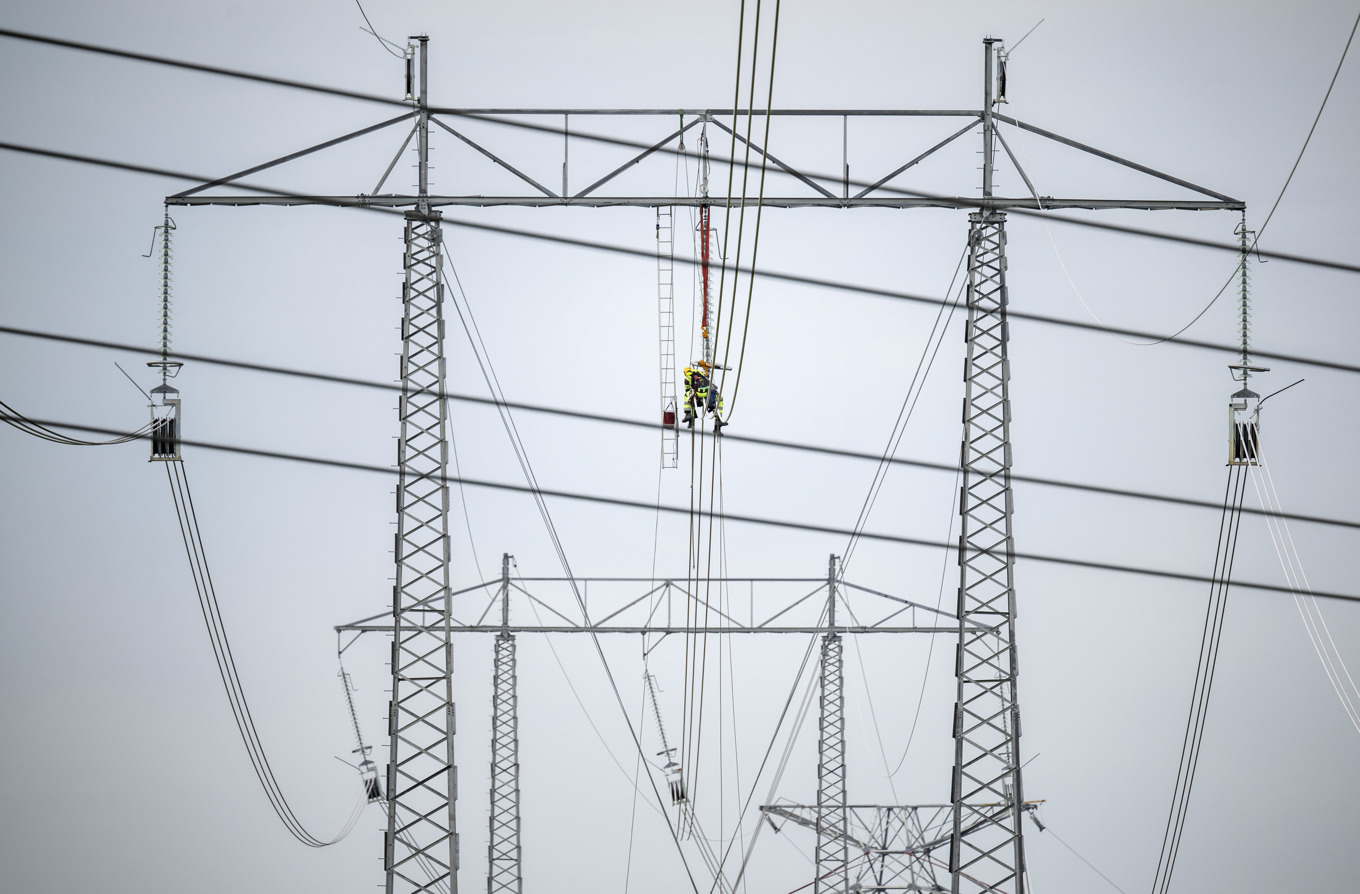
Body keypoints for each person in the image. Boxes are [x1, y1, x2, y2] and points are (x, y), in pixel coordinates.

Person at [683, 365, 726, 433]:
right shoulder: (699, 372)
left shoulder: (687, 377)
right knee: (719, 399)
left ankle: (688, 415)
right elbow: (706, 375)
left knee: (687, 397)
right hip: (708, 393)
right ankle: (718, 420)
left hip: (698, 393)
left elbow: (687, 389)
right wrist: (705, 370)